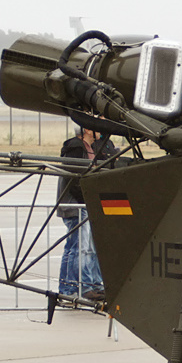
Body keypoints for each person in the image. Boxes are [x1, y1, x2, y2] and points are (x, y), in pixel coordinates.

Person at [57, 126, 116, 300]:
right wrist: (88, 197)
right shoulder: (76, 148)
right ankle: (75, 288)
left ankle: (79, 287)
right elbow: (74, 178)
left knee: (80, 247)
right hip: (76, 204)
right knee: (79, 248)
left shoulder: (92, 147)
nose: (100, 130)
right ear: (88, 131)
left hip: (84, 203)